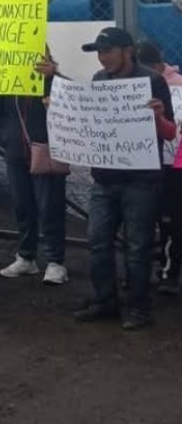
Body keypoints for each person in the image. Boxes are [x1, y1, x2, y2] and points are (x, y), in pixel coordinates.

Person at [74, 28, 176, 330]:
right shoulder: (99, 81)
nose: (102, 58)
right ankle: (106, 301)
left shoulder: (152, 80)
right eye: (99, 52)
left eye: (107, 51)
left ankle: (139, 307)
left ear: (126, 50)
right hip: (104, 179)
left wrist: (157, 117)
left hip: (140, 181)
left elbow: (170, 133)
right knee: (97, 242)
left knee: (137, 246)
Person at [0, 50, 70, 286]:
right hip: (16, 152)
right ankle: (26, 256)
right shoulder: (7, 83)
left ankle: (55, 261)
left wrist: (51, 78)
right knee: (22, 206)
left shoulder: (59, 82)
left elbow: (73, 104)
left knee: (50, 206)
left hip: (45, 151)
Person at [136, 41, 182, 295]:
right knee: (146, 220)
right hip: (147, 162)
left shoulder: (176, 87)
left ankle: (168, 271)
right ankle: (150, 270)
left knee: (170, 222)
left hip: (171, 164)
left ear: (156, 67)